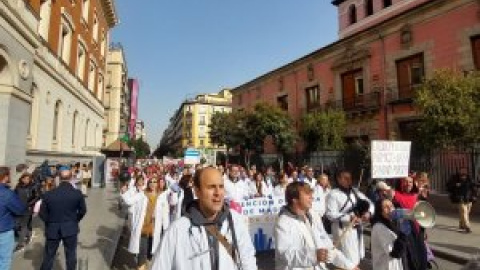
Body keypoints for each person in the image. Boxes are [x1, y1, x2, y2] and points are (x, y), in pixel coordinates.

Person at [151, 167, 257, 270]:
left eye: (221, 186)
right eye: (211, 187)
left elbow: (247, 260)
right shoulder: (178, 230)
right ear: (197, 191)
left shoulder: (235, 222)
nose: (218, 193)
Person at [274, 181, 359, 270]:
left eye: (311, 194)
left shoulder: (313, 215)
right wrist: (314, 256)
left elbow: (328, 247)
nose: (312, 197)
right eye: (307, 194)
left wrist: (350, 266)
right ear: (294, 200)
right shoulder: (283, 223)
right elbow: (285, 255)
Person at [39, 165, 87, 270]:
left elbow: (42, 213)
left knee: (49, 255)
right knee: (70, 255)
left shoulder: (49, 194)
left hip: (53, 228)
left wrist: (50, 222)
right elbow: (83, 211)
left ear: (59, 178)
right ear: (71, 178)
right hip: (70, 227)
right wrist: (75, 220)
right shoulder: (77, 194)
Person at [325, 171, 374, 267]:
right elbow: (330, 214)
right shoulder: (333, 194)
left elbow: (370, 203)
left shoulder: (355, 192)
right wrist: (348, 217)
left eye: (350, 178)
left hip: (357, 229)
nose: (349, 180)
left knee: (358, 257)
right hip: (343, 231)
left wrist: (369, 212)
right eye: (345, 178)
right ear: (339, 179)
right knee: (348, 261)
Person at [392, 177, 428, 270]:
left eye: (410, 182)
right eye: (405, 181)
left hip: (417, 230)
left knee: (421, 256)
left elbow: (423, 213)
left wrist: (423, 230)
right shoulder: (394, 195)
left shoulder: (416, 195)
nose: (408, 184)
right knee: (409, 259)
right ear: (400, 183)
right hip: (404, 231)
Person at [0, 166, 26, 270]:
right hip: (3, 230)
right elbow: (20, 210)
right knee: (4, 259)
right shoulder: (7, 193)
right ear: (5, 177)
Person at [371, 198, 406, 270]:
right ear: (380, 211)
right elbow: (395, 253)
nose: (390, 209)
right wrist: (403, 234)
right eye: (386, 207)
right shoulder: (379, 227)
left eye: (391, 206)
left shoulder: (392, 223)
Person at [447, 167, 478, 233]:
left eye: (465, 171)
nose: (463, 172)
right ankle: (467, 226)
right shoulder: (455, 178)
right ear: (459, 171)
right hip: (460, 197)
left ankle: (461, 223)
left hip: (469, 198)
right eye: (462, 171)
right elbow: (448, 185)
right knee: (464, 211)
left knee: (467, 212)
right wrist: (455, 185)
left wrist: (474, 196)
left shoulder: (470, 178)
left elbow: (474, 187)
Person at [14, 173, 38, 251]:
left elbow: (37, 197)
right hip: (18, 208)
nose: (26, 180)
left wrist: (29, 204)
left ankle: (21, 243)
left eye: (28, 179)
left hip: (27, 209)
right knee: (19, 225)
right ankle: (29, 235)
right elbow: (14, 197)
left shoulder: (32, 187)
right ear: (21, 179)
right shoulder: (18, 187)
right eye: (25, 179)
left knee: (23, 225)